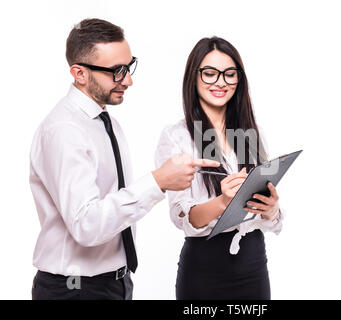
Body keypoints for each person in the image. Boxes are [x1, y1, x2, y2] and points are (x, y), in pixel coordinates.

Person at [29, 18, 219, 300]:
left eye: (128, 67)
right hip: (75, 289)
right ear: (79, 73)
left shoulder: (104, 122)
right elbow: (86, 224)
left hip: (113, 283)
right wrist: (157, 182)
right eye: (116, 71)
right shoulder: (64, 130)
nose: (128, 80)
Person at [155, 36, 283, 300]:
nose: (221, 82)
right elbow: (183, 218)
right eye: (210, 73)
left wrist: (272, 210)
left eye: (229, 74)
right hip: (205, 268)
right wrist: (223, 202)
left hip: (253, 265)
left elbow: (265, 215)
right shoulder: (179, 136)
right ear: (194, 77)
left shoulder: (249, 132)